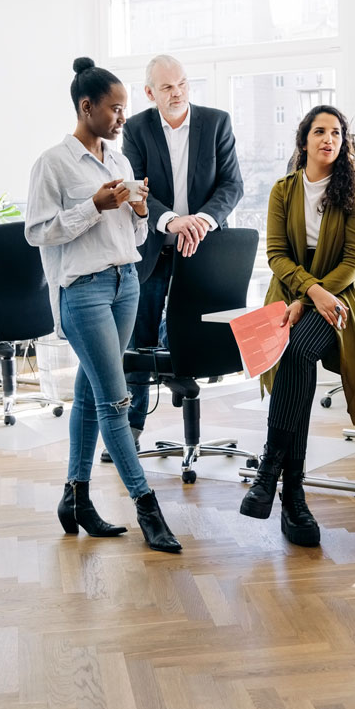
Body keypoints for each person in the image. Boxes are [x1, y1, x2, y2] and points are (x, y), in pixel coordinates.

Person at [25, 57, 180, 553]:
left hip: (125, 282)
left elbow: (131, 235)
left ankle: (75, 497)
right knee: (117, 402)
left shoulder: (119, 160)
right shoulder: (53, 163)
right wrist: (94, 205)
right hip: (84, 292)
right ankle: (147, 508)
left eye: (125, 110)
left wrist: (136, 211)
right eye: (114, 110)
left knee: (92, 394)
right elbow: (37, 232)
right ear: (86, 107)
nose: (121, 120)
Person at [240, 105, 355, 546]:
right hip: (290, 294)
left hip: (341, 299)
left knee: (297, 352)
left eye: (337, 133)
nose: (329, 139)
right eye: (320, 131)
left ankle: (271, 475)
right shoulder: (283, 190)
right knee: (295, 363)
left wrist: (314, 295)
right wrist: (303, 292)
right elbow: (276, 254)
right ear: (303, 141)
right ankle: (292, 497)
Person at [117, 53, 244, 458]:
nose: (178, 93)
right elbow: (136, 187)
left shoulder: (216, 122)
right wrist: (172, 221)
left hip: (203, 251)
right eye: (168, 87)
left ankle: (185, 391)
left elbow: (232, 184)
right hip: (155, 246)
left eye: (184, 84)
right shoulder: (136, 129)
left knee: (194, 336)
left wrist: (202, 220)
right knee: (139, 338)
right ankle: (131, 429)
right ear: (150, 92)